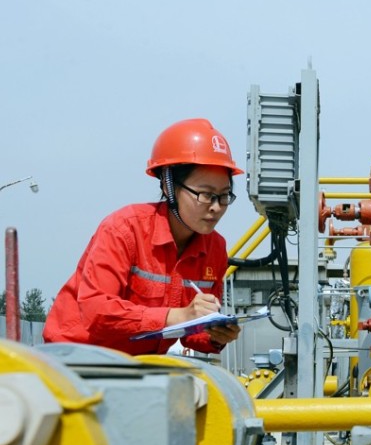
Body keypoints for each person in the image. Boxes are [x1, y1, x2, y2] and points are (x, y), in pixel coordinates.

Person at [44, 118, 244, 355]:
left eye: (224, 196)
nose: (216, 207)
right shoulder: (124, 229)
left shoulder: (215, 248)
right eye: (206, 195)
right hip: (76, 359)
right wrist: (178, 315)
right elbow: (96, 312)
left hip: (139, 365)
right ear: (168, 187)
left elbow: (192, 333)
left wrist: (215, 335)